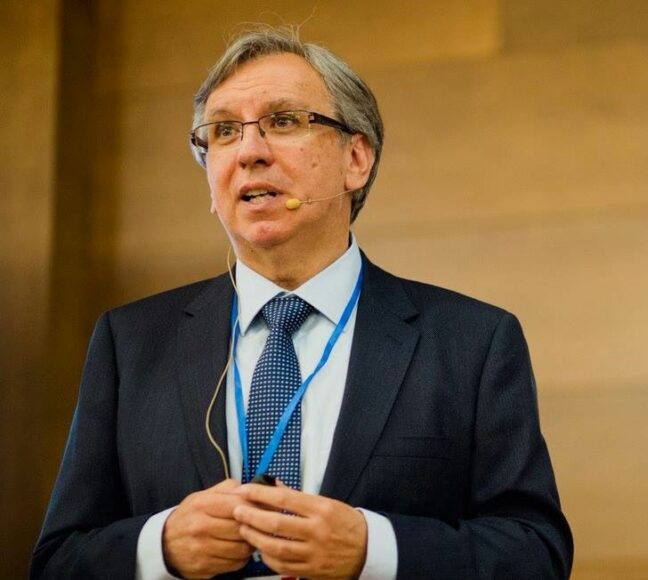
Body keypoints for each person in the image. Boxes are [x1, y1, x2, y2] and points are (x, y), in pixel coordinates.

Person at [31, 27, 572, 580]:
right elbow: (57, 561)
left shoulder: (471, 342)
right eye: (223, 131)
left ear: (355, 159)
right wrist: (160, 547)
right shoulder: (130, 343)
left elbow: (536, 553)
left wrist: (373, 550)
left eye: (284, 121)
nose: (249, 152)